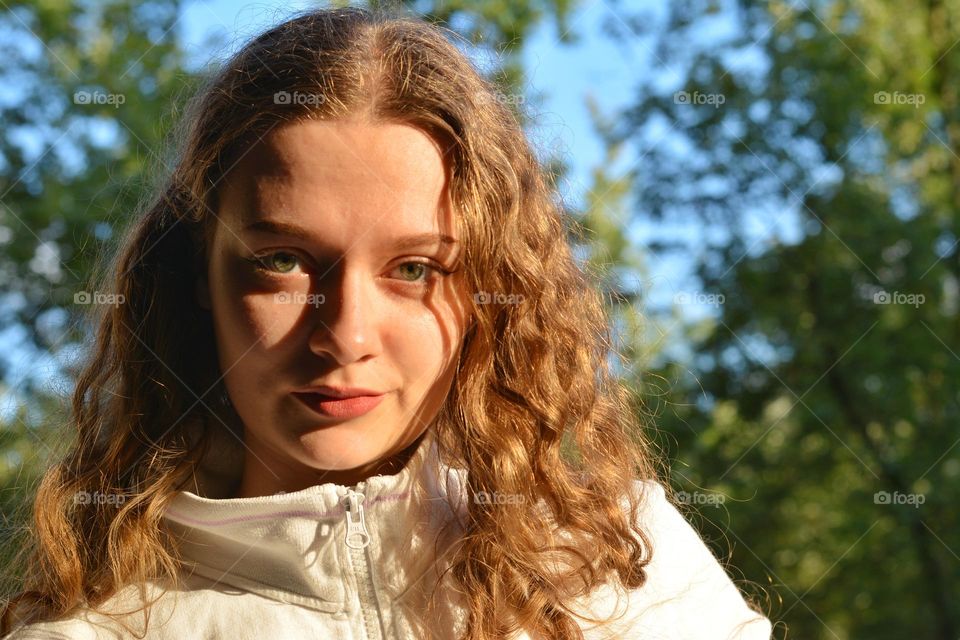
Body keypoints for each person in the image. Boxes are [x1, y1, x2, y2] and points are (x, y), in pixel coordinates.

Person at [1, 6, 773, 640]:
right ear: (197, 274)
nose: (345, 335)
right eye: (282, 261)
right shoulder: (95, 633)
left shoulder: (629, 572)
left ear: (489, 290)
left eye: (414, 269)